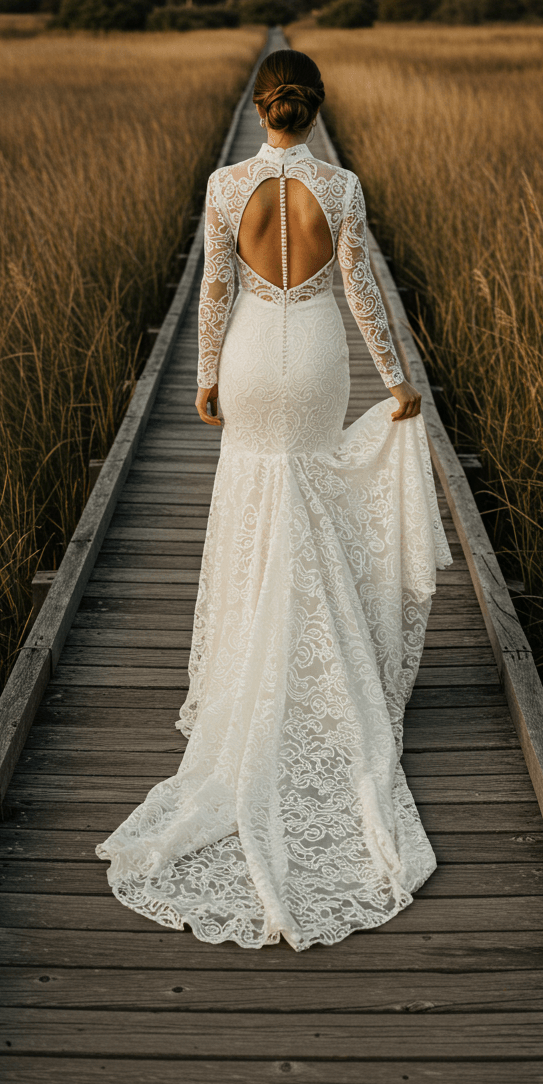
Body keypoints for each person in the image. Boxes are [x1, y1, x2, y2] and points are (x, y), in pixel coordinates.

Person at [95, 49, 452, 950]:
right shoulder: (343, 189)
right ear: (315, 109)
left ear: (261, 110)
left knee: (258, 503)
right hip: (319, 359)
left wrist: (208, 376)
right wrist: (396, 379)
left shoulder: (224, 186)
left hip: (255, 361)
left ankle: (251, 661)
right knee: (314, 492)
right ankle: (321, 656)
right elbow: (364, 291)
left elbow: (216, 288)